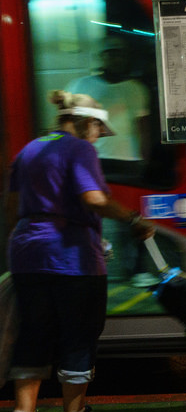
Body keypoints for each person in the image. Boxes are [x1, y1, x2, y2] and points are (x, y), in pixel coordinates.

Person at [4, 91, 155, 412]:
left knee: (33, 333)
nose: (97, 140)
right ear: (88, 123)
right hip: (71, 257)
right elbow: (94, 199)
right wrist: (132, 217)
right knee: (78, 334)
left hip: (26, 253)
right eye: (98, 131)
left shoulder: (28, 150)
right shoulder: (79, 150)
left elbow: (12, 209)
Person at [67, 33, 153, 285]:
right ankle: (94, 267)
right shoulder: (80, 86)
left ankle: (137, 269)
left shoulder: (135, 89)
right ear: (102, 57)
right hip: (93, 160)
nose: (116, 58)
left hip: (128, 161)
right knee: (93, 214)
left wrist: (144, 158)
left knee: (131, 215)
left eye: (120, 54)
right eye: (111, 53)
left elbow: (143, 126)